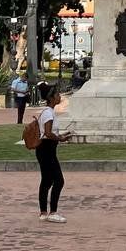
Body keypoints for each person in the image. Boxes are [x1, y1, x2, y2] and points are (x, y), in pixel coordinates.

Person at [37, 86, 72, 222]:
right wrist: (60, 138)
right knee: (58, 180)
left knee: (47, 180)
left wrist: (62, 135)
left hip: (47, 148)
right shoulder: (48, 113)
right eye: (57, 95)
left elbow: (50, 133)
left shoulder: (50, 112)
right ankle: (52, 212)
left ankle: (43, 212)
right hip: (46, 149)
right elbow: (48, 133)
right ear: (51, 98)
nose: (59, 97)